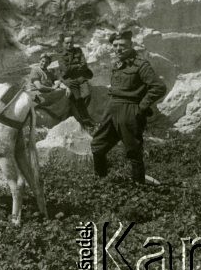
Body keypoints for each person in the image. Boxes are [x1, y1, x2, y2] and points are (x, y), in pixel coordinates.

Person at [90, 30, 167, 184]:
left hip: (130, 110)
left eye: (123, 45)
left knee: (133, 151)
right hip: (111, 108)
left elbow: (158, 87)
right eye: (115, 45)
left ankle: (139, 189)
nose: (118, 48)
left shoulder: (141, 65)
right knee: (97, 145)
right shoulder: (117, 64)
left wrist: (141, 107)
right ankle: (102, 182)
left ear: (131, 45)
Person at [57, 34, 95, 127]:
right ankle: (84, 119)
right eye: (67, 43)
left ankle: (82, 115)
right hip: (69, 79)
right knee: (77, 99)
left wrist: (73, 67)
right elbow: (66, 70)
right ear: (63, 43)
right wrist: (78, 65)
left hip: (81, 78)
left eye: (71, 42)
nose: (69, 44)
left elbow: (84, 65)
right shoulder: (60, 54)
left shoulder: (78, 50)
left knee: (87, 95)